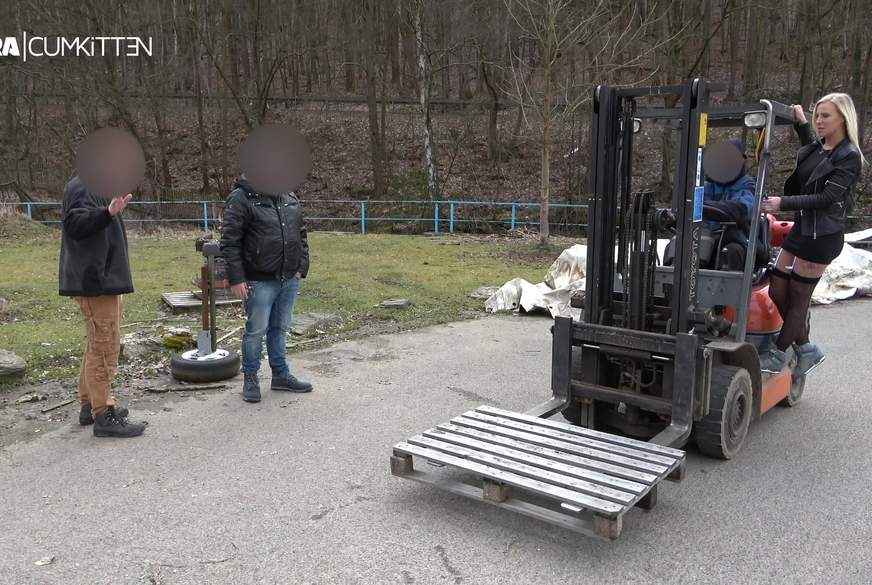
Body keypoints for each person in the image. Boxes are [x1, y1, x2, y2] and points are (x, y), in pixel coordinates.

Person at [760, 93, 866, 375]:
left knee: (799, 297)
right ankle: (806, 348)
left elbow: (827, 198)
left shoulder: (849, 156)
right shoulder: (820, 147)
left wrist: (783, 203)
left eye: (825, 116)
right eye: (817, 115)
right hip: (802, 230)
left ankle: (777, 354)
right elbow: (813, 159)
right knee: (777, 288)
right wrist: (802, 125)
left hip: (823, 236)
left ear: (842, 118)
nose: (819, 120)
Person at [59, 177, 147, 438]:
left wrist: (107, 212)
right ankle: (103, 414)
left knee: (97, 344)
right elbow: (74, 223)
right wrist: (106, 213)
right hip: (95, 280)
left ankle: (89, 404)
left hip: (102, 278)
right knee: (104, 347)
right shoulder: (83, 186)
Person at [221, 174, 313, 403]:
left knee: (280, 328)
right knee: (256, 331)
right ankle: (250, 377)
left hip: (289, 277)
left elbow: (301, 233)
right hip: (258, 279)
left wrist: (301, 267)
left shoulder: (288, 195)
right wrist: (236, 278)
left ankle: (280, 374)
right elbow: (230, 241)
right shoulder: (241, 197)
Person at [702, 139, 757, 269]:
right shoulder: (705, 186)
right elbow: (688, 203)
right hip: (704, 236)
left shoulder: (748, 185)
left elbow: (741, 208)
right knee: (677, 245)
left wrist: (703, 207)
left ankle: (725, 282)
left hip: (734, 237)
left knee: (732, 251)